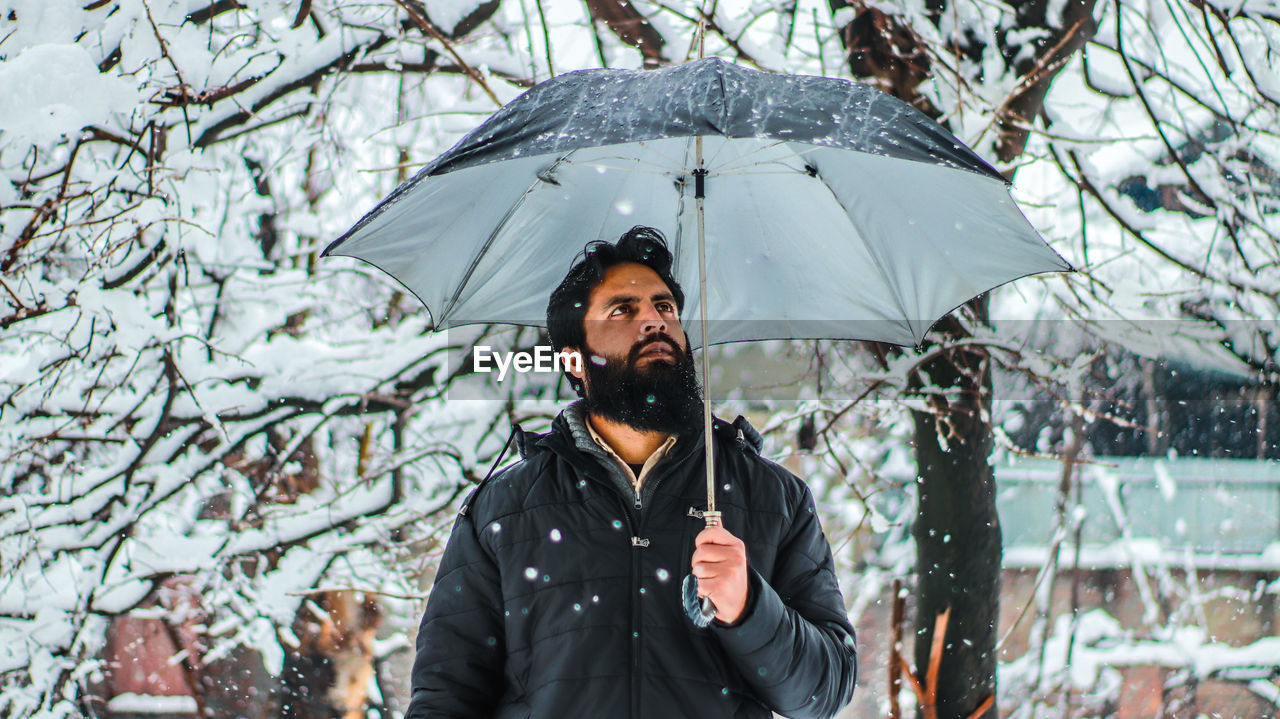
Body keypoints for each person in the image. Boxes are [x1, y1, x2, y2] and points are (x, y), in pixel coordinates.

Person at [407, 226, 857, 719]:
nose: (654, 322)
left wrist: (748, 606)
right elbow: (445, 696)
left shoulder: (773, 497)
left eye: (665, 308)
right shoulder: (503, 509)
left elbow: (823, 694)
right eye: (623, 310)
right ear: (574, 359)